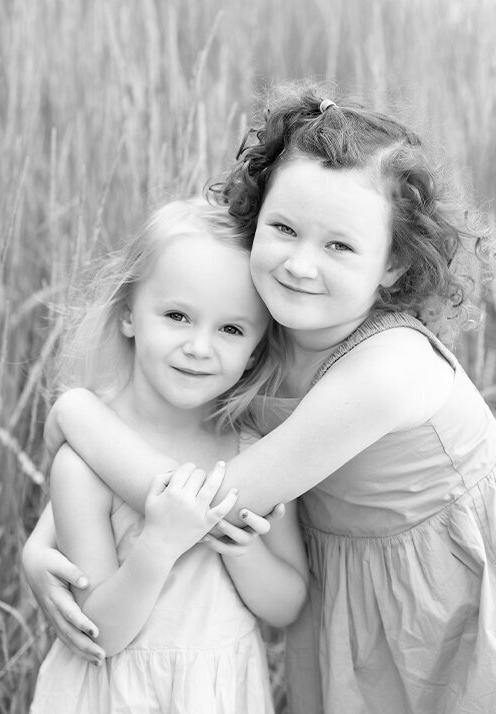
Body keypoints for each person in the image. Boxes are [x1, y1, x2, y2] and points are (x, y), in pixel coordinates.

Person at [25, 84, 496, 713]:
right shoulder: (260, 330)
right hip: (363, 593)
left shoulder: (385, 371)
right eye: (283, 229)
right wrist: (42, 542)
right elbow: (152, 461)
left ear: (391, 264)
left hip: (466, 589)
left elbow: (206, 506)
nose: (302, 264)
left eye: (340, 246)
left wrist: (73, 413)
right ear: (256, 221)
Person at [27, 196, 308, 714]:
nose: (200, 347)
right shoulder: (85, 464)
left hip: (218, 694)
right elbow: (99, 633)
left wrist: (243, 550)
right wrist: (158, 544)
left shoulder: (254, 454)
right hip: (115, 695)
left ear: (255, 350)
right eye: (177, 316)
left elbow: (287, 604)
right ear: (129, 314)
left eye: (230, 329)